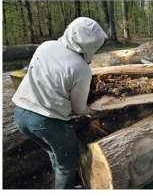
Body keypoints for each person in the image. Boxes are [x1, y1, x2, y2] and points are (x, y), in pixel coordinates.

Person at [12, 17, 108, 189]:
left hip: (20, 114)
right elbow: (78, 108)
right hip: (46, 122)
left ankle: (60, 177)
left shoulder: (46, 46)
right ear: (92, 44)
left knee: (54, 151)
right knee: (67, 161)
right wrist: (90, 111)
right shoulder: (81, 69)